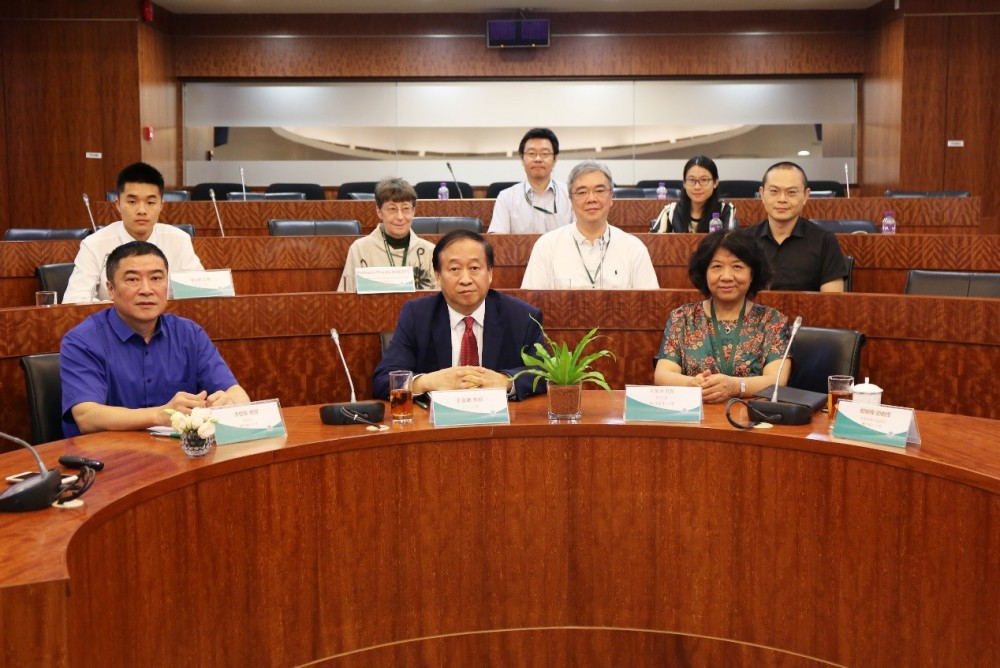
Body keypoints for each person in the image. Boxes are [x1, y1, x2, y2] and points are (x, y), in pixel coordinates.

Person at [61, 241, 249, 437]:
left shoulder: (189, 334)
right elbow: (86, 416)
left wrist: (229, 403)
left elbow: (237, 394)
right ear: (110, 289)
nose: (146, 289)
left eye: (156, 278)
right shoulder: (82, 341)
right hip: (111, 459)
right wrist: (159, 415)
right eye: (133, 280)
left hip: (178, 457)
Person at [372, 230, 545, 401]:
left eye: (474, 268)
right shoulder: (417, 315)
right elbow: (383, 381)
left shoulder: (523, 317)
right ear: (438, 276)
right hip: (437, 424)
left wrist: (506, 381)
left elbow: (545, 374)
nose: (465, 279)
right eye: (454, 269)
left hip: (499, 424)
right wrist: (428, 381)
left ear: (490, 273)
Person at [653, 231, 791, 404]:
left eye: (737, 267)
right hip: (695, 417)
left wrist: (736, 386)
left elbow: (777, 380)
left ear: (752, 274)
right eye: (717, 266)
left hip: (751, 419)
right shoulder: (683, 317)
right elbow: (662, 374)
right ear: (704, 273)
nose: (726, 277)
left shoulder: (772, 321)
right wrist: (692, 384)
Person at [63, 162, 204, 304]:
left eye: (150, 202)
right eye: (132, 202)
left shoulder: (179, 240)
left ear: (161, 206)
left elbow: (200, 292)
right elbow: (73, 301)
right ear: (118, 204)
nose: (141, 210)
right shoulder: (94, 244)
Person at [520, 161, 659, 289]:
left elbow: (649, 306)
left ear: (611, 197)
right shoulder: (546, 246)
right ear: (571, 200)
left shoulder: (634, 248)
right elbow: (531, 308)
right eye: (582, 192)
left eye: (599, 191)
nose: (591, 199)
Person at [744, 161, 847, 292]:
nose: (782, 199)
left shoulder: (824, 241)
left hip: (807, 312)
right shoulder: (744, 240)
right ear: (762, 194)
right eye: (774, 191)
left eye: (791, 192)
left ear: (805, 196)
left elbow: (831, 303)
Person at [338, 177, 436, 291]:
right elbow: (346, 298)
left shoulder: (429, 251)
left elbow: (439, 299)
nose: (400, 217)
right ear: (379, 211)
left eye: (405, 208)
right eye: (392, 209)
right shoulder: (360, 249)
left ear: (413, 211)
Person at [488, 128, 573, 234]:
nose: (538, 159)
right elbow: (498, 239)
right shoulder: (506, 197)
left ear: (555, 159)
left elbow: (581, 233)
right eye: (531, 153)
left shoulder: (571, 194)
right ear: (522, 159)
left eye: (545, 154)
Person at [649, 155, 738, 233]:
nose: (697, 187)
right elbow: (654, 243)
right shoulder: (670, 211)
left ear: (715, 182)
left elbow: (729, 244)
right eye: (691, 180)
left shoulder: (725, 210)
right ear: (684, 183)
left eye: (704, 180)